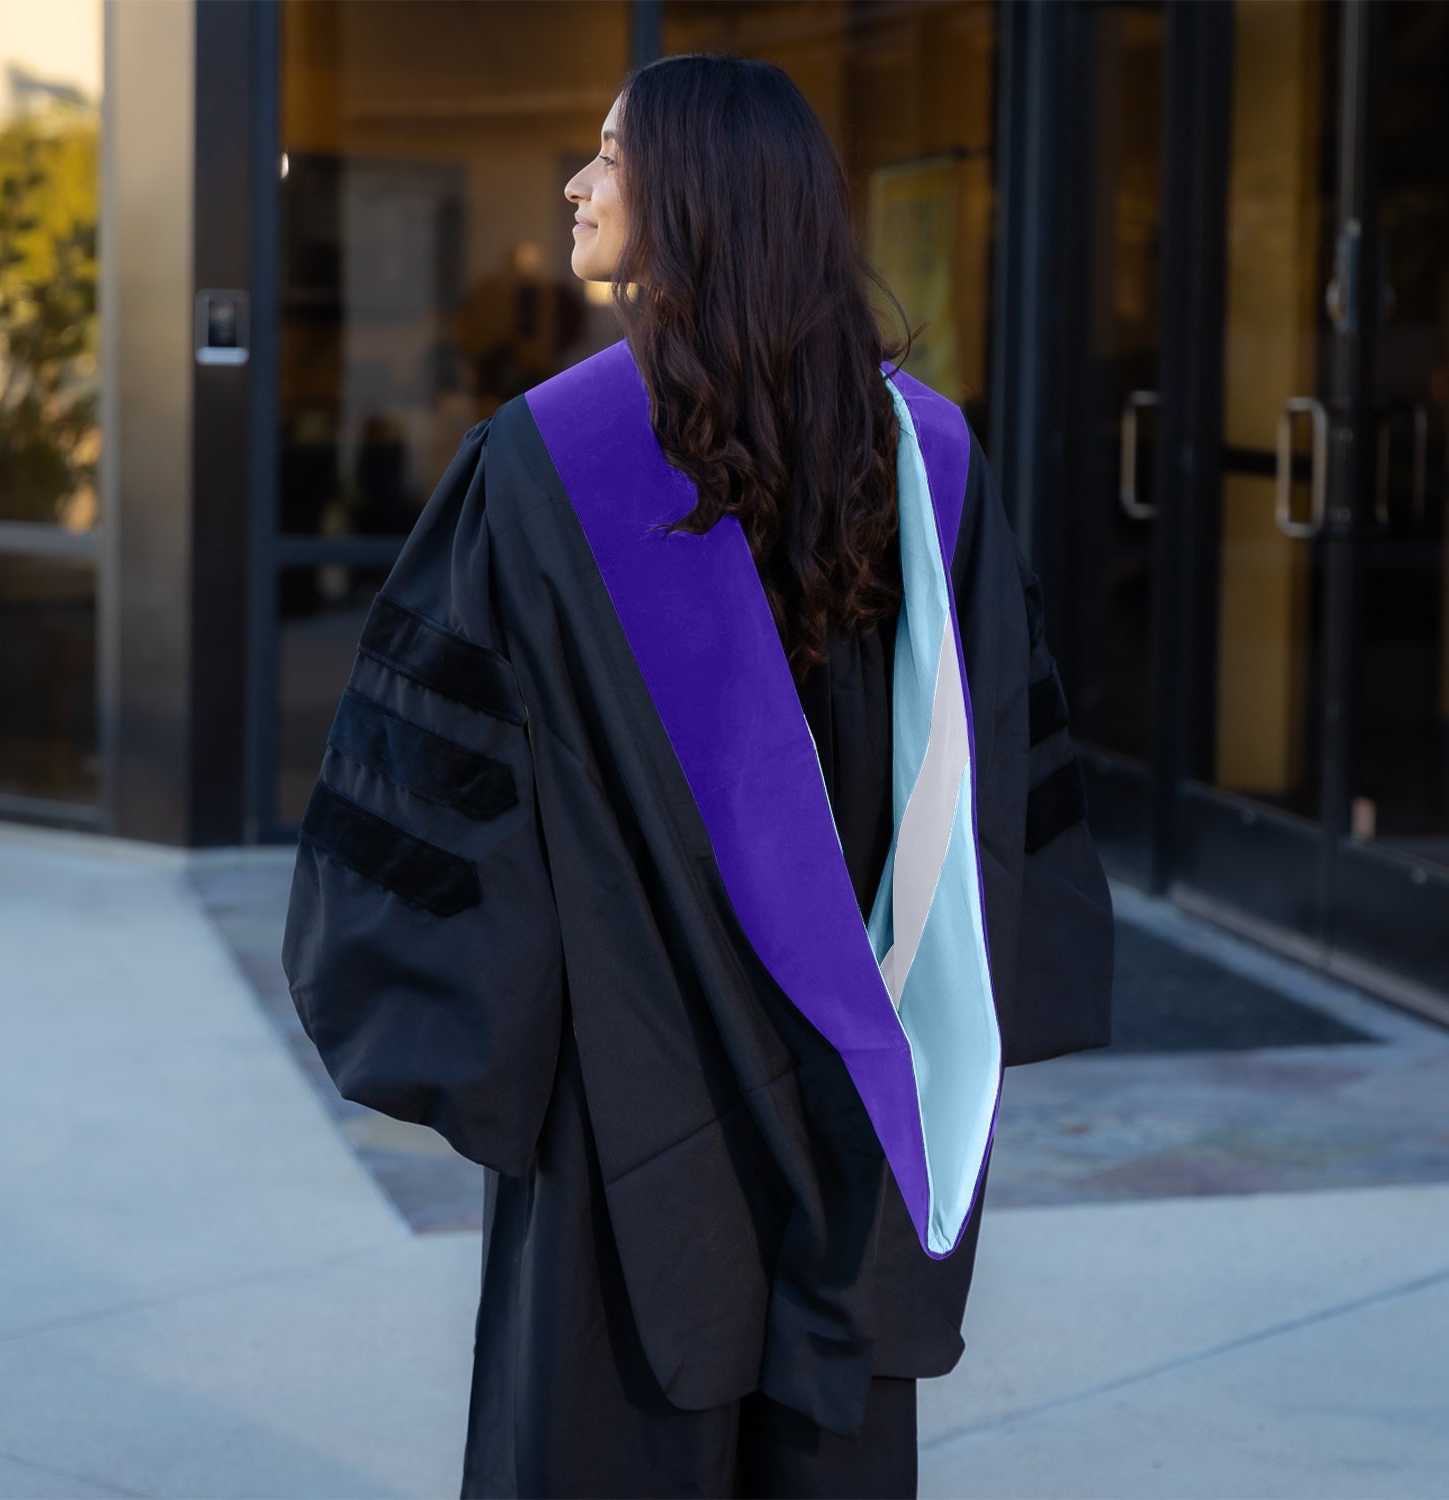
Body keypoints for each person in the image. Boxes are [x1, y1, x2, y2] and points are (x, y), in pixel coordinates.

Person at [281, 53, 1113, 1500]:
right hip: (863, 1085)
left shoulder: (546, 469)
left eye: (610, 157)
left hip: (627, 1111)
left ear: (696, 201)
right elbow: (993, 807)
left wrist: (491, 1040)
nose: (576, 186)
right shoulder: (917, 463)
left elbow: (452, 817)